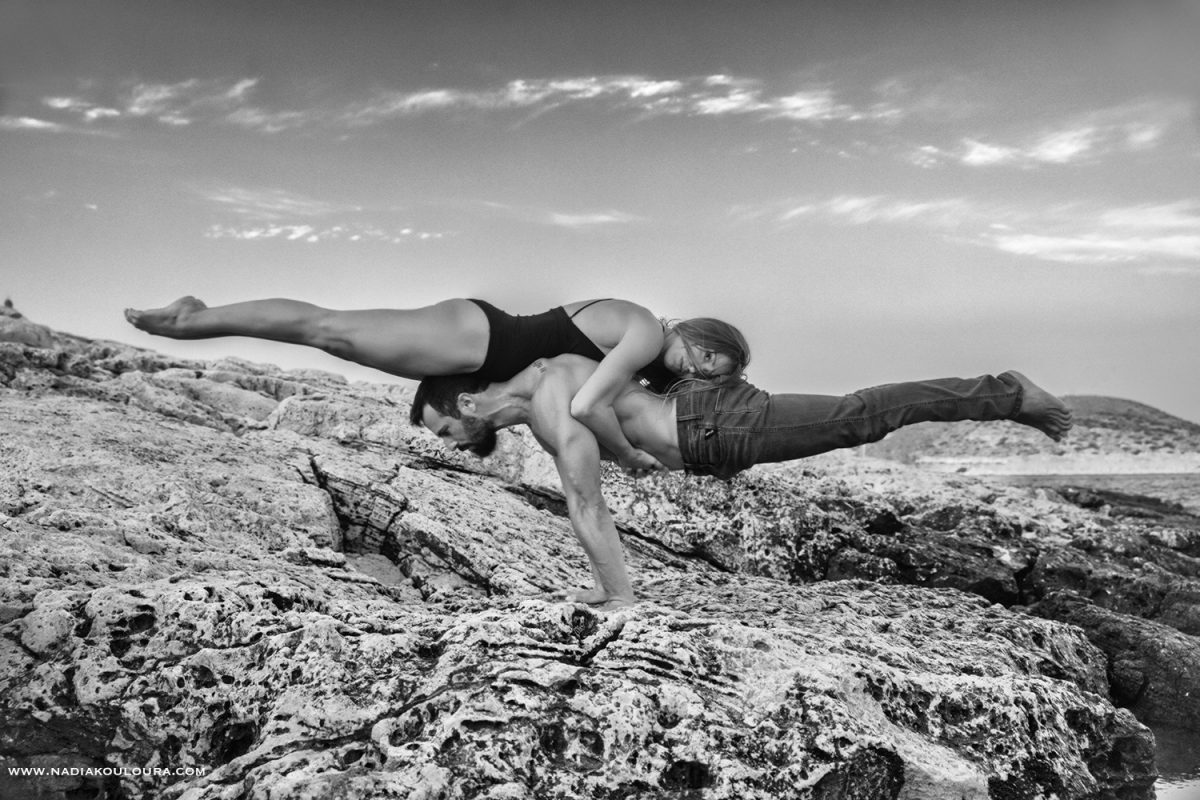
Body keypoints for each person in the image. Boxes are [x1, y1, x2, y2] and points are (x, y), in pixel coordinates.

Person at [409, 355, 1072, 607]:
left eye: (444, 430)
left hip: (716, 425)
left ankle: (1007, 393)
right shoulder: (542, 391)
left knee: (862, 416)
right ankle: (1005, 393)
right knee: (860, 416)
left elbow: (586, 502)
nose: (451, 444)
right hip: (709, 429)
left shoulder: (552, 397)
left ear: (466, 402)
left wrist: (617, 595)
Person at [125, 295, 749, 472]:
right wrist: (630, 455)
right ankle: (191, 319)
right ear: (698, 332)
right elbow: (589, 402)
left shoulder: (652, 365)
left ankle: (196, 317)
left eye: (708, 374)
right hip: (481, 339)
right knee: (331, 332)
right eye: (705, 355)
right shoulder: (645, 330)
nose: (696, 368)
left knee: (336, 337)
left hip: (483, 365)